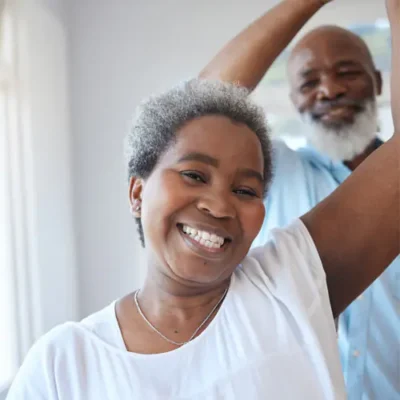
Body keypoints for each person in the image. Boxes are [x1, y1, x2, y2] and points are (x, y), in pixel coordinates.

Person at [6, 0, 400, 399]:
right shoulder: (61, 365)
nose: (218, 205)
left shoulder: (289, 281)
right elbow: (200, 107)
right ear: (137, 191)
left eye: (246, 190)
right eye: (194, 175)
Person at [200, 0, 400, 398]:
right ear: (294, 100)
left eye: (347, 73)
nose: (330, 89)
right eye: (310, 82)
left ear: (379, 83)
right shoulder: (272, 173)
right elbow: (197, 113)